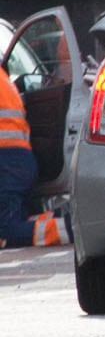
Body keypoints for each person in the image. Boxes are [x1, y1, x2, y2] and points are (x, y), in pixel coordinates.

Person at [0, 70, 62, 249]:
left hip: (7, 163)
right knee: (15, 222)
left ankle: (73, 227)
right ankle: (68, 217)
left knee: (5, 232)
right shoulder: (3, 78)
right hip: (17, 162)